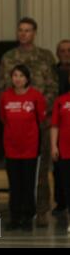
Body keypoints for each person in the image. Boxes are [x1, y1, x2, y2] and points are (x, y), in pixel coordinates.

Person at [0, 17, 58, 227]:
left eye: (28, 30)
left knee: (40, 172)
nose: (24, 34)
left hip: (40, 121)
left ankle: (40, 211)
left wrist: (39, 110)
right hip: (16, 122)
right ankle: (17, 212)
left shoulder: (45, 56)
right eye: (21, 30)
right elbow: (2, 90)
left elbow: (52, 87)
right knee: (16, 173)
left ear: (35, 33)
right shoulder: (8, 57)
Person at [0, 65, 46, 231]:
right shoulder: (5, 97)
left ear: (27, 78)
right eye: (15, 75)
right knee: (14, 184)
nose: (17, 79)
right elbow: (3, 119)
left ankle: (28, 217)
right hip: (11, 147)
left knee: (28, 184)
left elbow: (41, 118)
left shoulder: (35, 96)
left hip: (30, 148)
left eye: (21, 75)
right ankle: (15, 217)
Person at [52, 39, 70, 216]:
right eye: (62, 51)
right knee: (59, 168)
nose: (66, 54)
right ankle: (61, 201)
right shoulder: (52, 71)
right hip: (58, 123)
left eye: (69, 50)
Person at [51, 72, 70, 233]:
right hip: (65, 150)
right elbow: (55, 125)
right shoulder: (61, 100)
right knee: (67, 186)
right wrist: (53, 146)